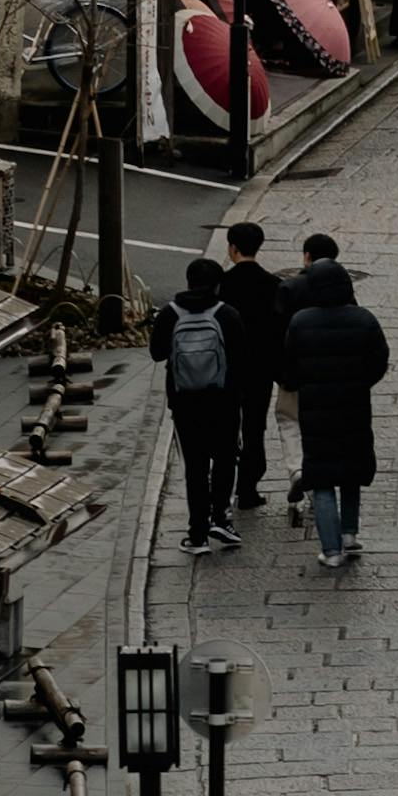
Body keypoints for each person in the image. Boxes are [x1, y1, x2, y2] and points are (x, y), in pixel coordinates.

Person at [277, 231, 389, 569]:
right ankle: (349, 533)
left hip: (316, 411)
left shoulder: (301, 322)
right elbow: (379, 361)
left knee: (322, 477)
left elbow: (288, 367)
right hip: (354, 406)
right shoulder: (364, 319)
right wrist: (361, 382)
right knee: (351, 470)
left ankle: (331, 550)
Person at [149, 256, 247, 557]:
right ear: (218, 285)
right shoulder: (227, 314)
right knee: (225, 458)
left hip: (185, 402)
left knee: (195, 466)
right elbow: (241, 357)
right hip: (224, 400)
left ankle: (197, 534)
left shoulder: (170, 314)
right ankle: (222, 518)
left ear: (189, 281)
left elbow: (157, 353)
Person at [216, 218, 287, 515]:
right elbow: (280, 330)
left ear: (232, 248)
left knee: (227, 427)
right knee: (255, 426)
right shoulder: (273, 285)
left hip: (228, 369)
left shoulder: (222, 284)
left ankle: (223, 489)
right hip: (261, 368)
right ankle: (249, 486)